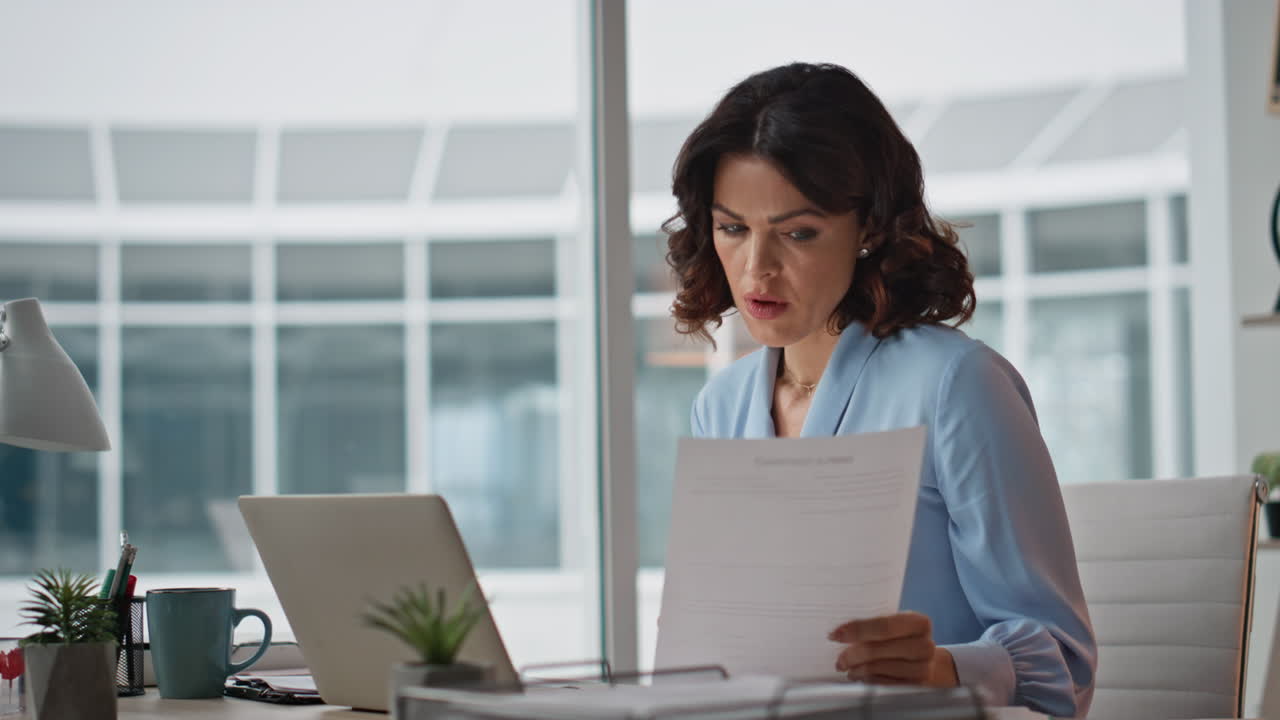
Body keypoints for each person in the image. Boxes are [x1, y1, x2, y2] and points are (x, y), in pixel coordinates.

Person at [664, 62, 1096, 717]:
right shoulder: (718, 407)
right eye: (733, 228)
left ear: (868, 228)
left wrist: (946, 667)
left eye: (797, 232)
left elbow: (1063, 664)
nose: (757, 267)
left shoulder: (957, 386)